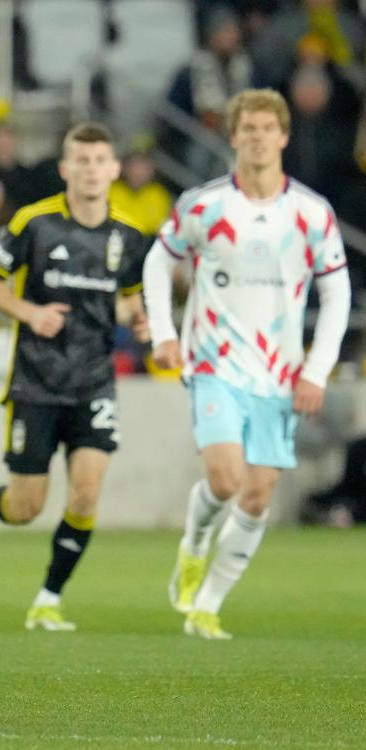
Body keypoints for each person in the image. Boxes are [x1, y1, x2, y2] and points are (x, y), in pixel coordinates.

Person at [143, 88, 351, 640]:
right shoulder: (204, 205)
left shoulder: (311, 213)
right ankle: (193, 545)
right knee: (226, 476)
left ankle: (207, 604)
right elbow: (158, 264)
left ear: (283, 136)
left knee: (257, 496)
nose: (258, 137)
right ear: (232, 136)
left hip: (280, 374)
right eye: (248, 128)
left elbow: (338, 296)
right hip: (215, 362)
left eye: (268, 127)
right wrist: (165, 333)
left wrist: (315, 370)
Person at [0, 122, 150, 631]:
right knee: (25, 508)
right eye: (80, 161)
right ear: (65, 169)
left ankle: (48, 597)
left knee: (85, 493)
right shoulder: (34, 223)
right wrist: (30, 313)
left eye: (99, 160)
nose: (89, 170)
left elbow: (127, 298)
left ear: (113, 170)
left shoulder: (127, 236)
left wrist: (141, 318)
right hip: (36, 381)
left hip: (94, 382)